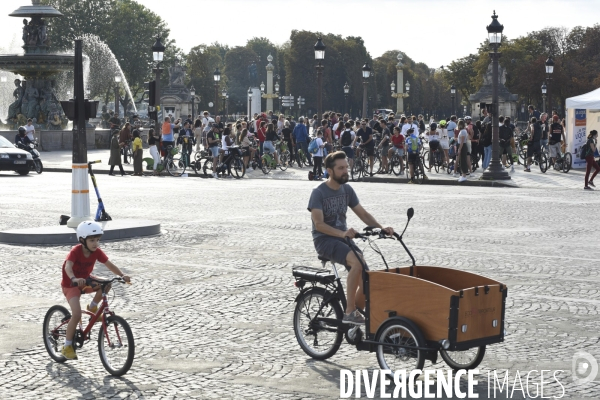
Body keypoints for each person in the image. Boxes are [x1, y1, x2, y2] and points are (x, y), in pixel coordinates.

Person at [308, 151, 394, 324]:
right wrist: (342, 233)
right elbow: (319, 224)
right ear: (329, 171)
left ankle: (355, 315)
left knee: (367, 279)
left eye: (346, 167)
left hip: (343, 239)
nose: (345, 171)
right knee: (357, 261)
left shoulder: (347, 189)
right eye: (340, 168)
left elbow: (362, 213)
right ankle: (349, 312)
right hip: (324, 240)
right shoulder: (318, 193)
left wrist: (381, 226)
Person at [60, 221, 131, 360]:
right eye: (92, 240)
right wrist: (74, 278)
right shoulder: (75, 251)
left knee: (108, 283)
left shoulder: (96, 252)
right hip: (71, 284)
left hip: (86, 280)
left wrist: (122, 275)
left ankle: (92, 307)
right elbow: (68, 267)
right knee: (76, 315)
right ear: (82, 240)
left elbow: (109, 264)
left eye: (97, 240)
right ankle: (67, 346)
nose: (95, 243)